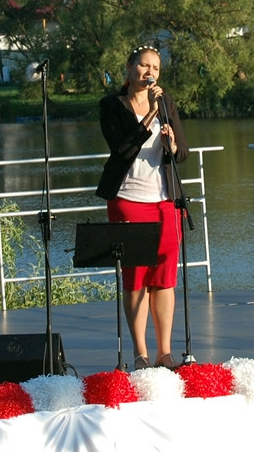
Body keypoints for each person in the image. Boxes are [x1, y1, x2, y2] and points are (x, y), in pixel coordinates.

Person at [95, 45, 190, 370]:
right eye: (143, 66)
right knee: (136, 278)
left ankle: (165, 354)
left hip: (165, 201)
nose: (149, 72)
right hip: (128, 201)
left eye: (155, 68)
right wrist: (149, 114)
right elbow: (121, 149)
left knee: (164, 279)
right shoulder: (112, 105)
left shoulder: (167, 103)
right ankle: (141, 354)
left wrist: (171, 144)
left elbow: (182, 152)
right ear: (129, 67)